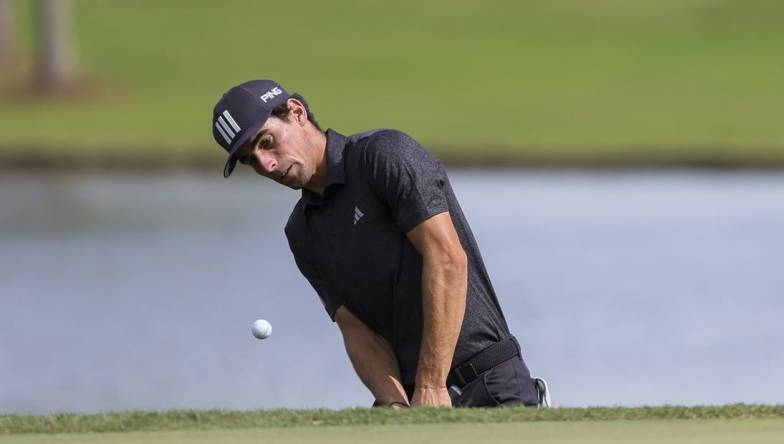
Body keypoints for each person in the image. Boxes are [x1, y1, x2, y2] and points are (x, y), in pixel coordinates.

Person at [211, 80, 550, 408]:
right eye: (250, 160)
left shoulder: (383, 156)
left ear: (296, 112)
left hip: (491, 384)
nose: (266, 164)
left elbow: (447, 259)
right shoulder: (302, 231)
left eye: (266, 141)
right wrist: (394, 406)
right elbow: (357, 331)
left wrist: (432, 385)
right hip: (417, 399)